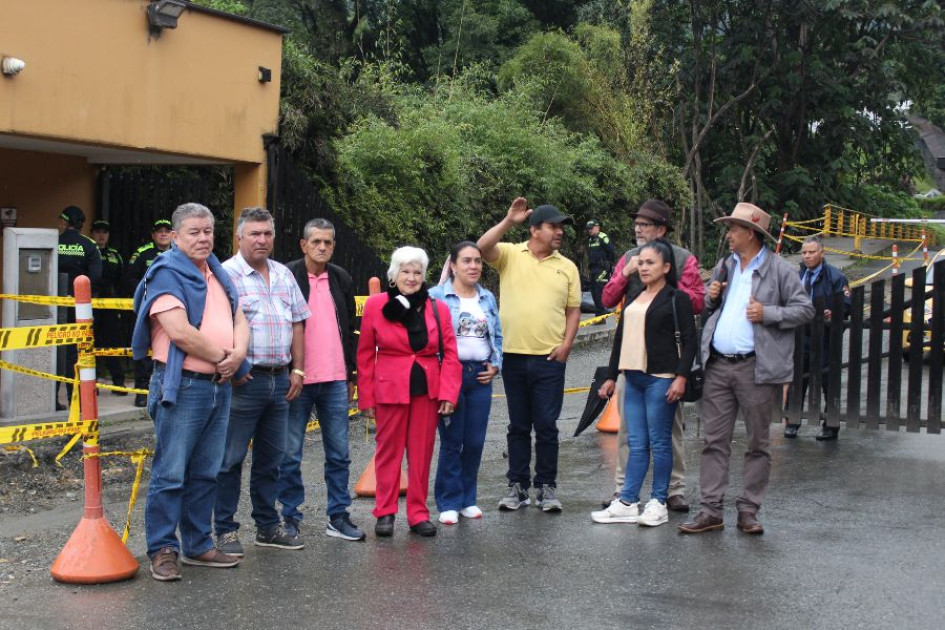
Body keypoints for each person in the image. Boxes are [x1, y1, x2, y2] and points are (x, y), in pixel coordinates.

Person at [131, 202, 249, 582]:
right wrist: (224, 359)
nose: (203, 238)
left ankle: (198, 545)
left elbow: (239, 317)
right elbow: (179, 331)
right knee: (171, 473)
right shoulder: (166, 272)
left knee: (206, 472)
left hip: (218, 386)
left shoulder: (216, 272)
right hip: (183, 386)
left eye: (208, 231)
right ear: (175, 237)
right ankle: (163, 549)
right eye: (194, 232)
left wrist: (239, 354)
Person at [679, 203, 813, 536]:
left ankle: (749, 510)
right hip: (719, 365)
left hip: (756, 367)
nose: (728, 235)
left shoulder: (780, 269)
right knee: (714, 441)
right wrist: (711, 297)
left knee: (758, 442)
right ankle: (710, 510)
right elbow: (713, 309)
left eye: (733, 230)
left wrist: (768, 313)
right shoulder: (725, 265)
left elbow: (804, 310)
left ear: (750, 233)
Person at [214, 207, 310, 555]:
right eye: (254, 234)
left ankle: (267, 526)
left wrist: (298, 370)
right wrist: (233, 368)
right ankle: (224, 530)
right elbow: (217, 327)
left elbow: (298, 322)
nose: (262, 240)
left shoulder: (284, 274)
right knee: (230, 459)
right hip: (244, 382)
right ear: (239, 236)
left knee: (273, 458)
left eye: (267, 233)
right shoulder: (225, 275)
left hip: (280, 380)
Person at [599, 199, 704, 512]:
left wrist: (665, 287)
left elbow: (696, 303)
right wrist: (627, 273)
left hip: (665, 362)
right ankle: (623, 491)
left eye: (644, 224)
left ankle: (674, 490)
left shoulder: (683, 259)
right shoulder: (629, 258)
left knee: (669, 431)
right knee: (628, 431)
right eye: (637, 224)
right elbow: (607, 298)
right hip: (632, 358)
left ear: (661, 229)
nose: (638, 229)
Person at [478, 198, 581, 512]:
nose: (559, 232)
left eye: (561, 227)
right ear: (534, 229)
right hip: (512, 356)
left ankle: (547, 488)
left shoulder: (567, 267)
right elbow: (482, 248)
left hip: (549, 358)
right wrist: (509, 220)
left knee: (547, 425)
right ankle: (518, 486)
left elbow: (573, 310)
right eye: (553, 226)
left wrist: (566, 344)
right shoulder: (511, 253)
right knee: (518, 425)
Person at [357, 246, 461, 538]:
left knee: (421, 454)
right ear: (394, 275)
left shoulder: (437, 308)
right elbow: (364, 354)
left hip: (427, 389)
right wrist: (366, 397)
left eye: (417, 272)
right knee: (387, 453)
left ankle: (418, 513)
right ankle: (385, 513)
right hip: (389, 388)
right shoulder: (377, 306)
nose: (412, 277)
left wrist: (449, 393)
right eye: (406, 271)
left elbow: (450, 354)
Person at [278, 218, 364, 542]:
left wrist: (352, 373)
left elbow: (352, 330)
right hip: (296, 380)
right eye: (316, 241)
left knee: (339, 453)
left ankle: (338, 516)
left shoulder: (341, 278)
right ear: (303, 245)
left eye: (328, 242)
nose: (322, 247)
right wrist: (287, 369)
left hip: (335, 380)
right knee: (289, 454)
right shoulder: (287, 276)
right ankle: (289, 517)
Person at [429, 241, 503, 525]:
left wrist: (497, 365)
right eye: (467, 261)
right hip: (450, 375)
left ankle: (467, 498)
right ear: (453, 265)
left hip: (480, 376)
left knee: (474, 441)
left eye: (477, 261)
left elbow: (497, 336)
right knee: (452, 441)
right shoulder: (436, 296)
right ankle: (448, 501)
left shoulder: (487, 298)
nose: (473, 266)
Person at [785, 235, 850, 441]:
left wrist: (834, 310)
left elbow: (848, 304)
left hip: (826, 337)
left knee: (827, 381)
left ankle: (830, 425)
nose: (807, 256)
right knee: (797, 379)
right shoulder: (798, 276)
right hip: (801, 335)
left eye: (812, 252)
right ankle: (792, 421)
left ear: (822, 252)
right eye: (804, 252)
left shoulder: (835, 277)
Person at [56, 205, 102, 410]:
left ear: (65, 222)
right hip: (79, 306)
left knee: (57, 350)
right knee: (77, 352)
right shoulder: (90, 245)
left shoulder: (54, 241)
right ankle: (77, 399)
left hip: (55, 304)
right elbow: (96, 276)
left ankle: (52, 400)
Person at [125, 218, 173, 407]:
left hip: (173, 310)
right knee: (144, 350)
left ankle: (168, 390)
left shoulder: (180, 253)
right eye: (159, 231)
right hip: (148, 308)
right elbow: (130, 279)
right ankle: (142, 391)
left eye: (167, 231)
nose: (163, 234)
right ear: (153, 235)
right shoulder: (142, 253)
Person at [90, 219, 127, 394]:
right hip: (91, 306)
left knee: (113, 343)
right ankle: (92, 382)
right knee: (91, 342)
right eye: (98, 232)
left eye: (105, 232)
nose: (101, 235)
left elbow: (122, 281)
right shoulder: (88, 252)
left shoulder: (115, 255)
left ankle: (118, 382)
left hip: (111, 306)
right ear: (92, 234)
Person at [586, 219, 616, 317]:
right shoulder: (590, 240)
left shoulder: (603, 237)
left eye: (591, 228)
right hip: (593, 269)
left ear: (597, 227)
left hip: (602, 268)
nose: (589, 230)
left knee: (599, 289)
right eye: (588, 229)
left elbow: (611, 252)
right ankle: (599, 313)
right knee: (593, 291)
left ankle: (602, 310)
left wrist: (610, 264)